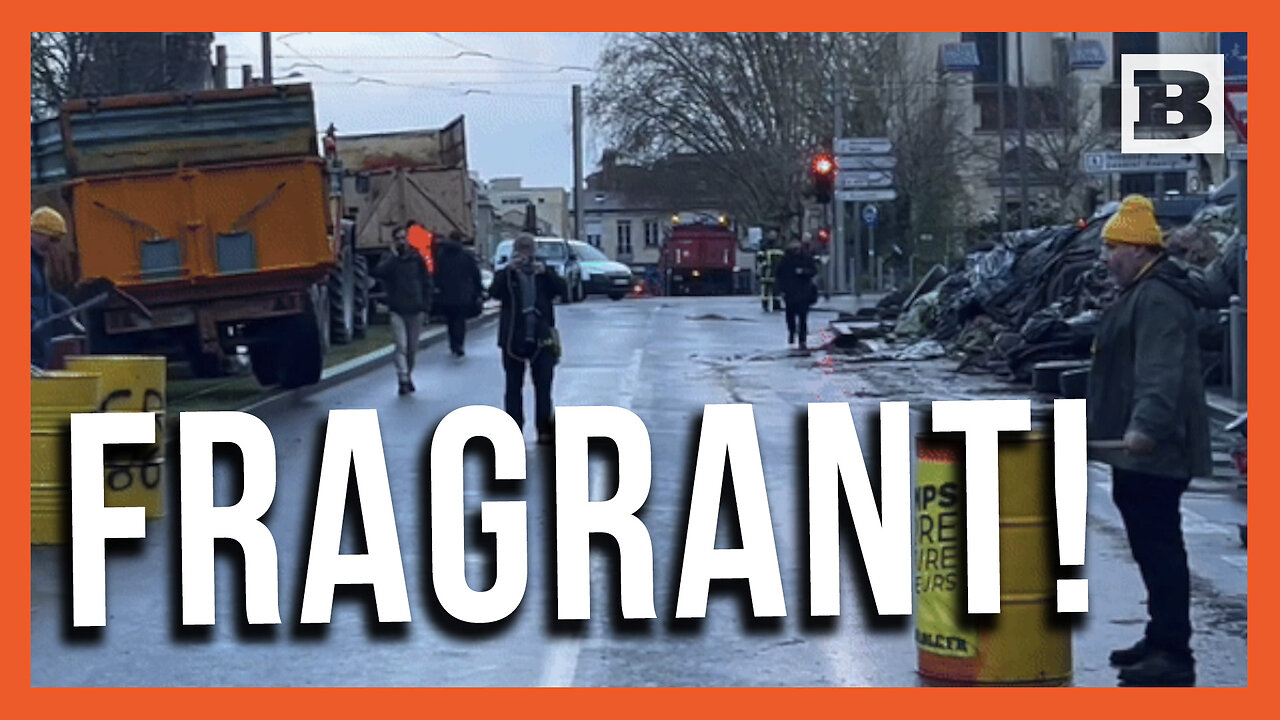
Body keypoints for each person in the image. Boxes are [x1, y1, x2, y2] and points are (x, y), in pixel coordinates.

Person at [1086, 194, 1211, 687]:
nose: (1106, 257)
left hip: (1156, 449)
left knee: (1160, 547)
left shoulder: (1157, 297)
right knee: (1150, 543)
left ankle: (1173, 651)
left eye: (1112, 247)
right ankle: (1160, 637)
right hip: (1137, 449)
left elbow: (1160, 372)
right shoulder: (1141, 290)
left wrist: (1144, 430)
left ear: (1139, 249)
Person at [490, 234, 565, 444]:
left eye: (528, 250)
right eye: (521, 250)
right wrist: (508, 272)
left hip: (542, 337)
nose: (525, 255)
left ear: (534, 251)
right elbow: (494, 292)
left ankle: (543, 428)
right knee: (513, 385)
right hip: (514, 336)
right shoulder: (508, 273)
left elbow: (563, 290)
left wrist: (547, 273)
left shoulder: (544, 272)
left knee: (544, 385)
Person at [373, 227, 433, 395]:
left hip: (416, 310)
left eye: (403, 238)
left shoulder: (418, 259)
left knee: (412, 349)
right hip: (397, 310)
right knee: (401, 345)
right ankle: (403, 378)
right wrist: (393, 257)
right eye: (397, 238)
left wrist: (426, 305)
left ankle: (408, 375)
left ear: (408, 239)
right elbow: (378, 272)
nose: (401, 241)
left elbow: (427, 282)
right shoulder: (390, 261)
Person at [31, 207, 71, 370]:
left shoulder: (36, 262)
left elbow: (39, 293)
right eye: (52, 239)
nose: (53, 246)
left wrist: (62, 304)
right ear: (37, 233)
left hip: (36, 349)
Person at [434, 230, 483, 358]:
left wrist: (437, 289)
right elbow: (475, 275)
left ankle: (453, 344)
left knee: (450, 321)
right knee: (460, 321)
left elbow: (436, 274)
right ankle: (459, 344)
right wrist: (478, 291)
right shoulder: (466, 255)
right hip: (463, 295)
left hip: (446, 294)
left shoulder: (441, 255)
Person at [774, 238, 819, 350]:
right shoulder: (786, 260)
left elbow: (813, 271)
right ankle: (792, 331)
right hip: (790, 293)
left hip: (804, 292)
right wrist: (781, 290)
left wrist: (804, 272)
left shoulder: (806, 258)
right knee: (790, 317)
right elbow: (779, 275)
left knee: (803, 318)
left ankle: (802, 340)